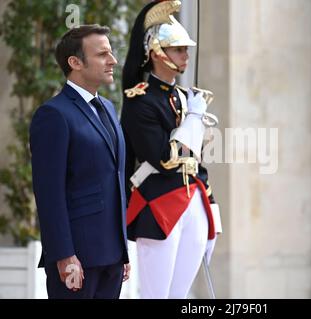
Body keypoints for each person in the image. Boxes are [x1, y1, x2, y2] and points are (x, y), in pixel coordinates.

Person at [121, 0, 221, 299]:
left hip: (193, 200)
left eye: (186, 49)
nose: (186, 55)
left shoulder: (183, 97)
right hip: (160, 203)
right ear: (156, 53)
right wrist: (193, 117)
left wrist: (210, 203)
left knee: (180, 295)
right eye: (178, 49)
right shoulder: (140, 100)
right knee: (156, 295)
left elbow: (196, 160)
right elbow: (163, 158)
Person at [29, 24, 130, 299]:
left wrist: (122, 251)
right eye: (102, 54)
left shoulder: (108, 107)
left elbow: (114, 178)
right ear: (75, 62)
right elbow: (49, 192)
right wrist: (64, 255)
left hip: (111, 257)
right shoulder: (53, 115)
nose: (113, 61)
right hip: (77, 260)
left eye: (111, 53)